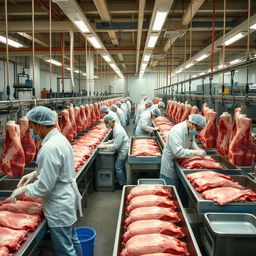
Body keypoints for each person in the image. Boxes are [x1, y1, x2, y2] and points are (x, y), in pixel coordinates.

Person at [11, 106, 83, 256]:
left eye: (32, 127)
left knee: (64, 250)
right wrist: (36, 173)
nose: (32, 132)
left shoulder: (50, 147)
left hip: (59, 205)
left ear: (40, 125)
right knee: (73, 241)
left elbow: (44, 187)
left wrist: (25, 190)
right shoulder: (59, 139)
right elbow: (56, 169)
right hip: (66, 199)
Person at [160, 114, 207, 187]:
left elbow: (192, 141)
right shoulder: (177, 130)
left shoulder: (191, 129)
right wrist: (195, 152)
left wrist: (196, 148)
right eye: (197, 129)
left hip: (182, 161)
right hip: (171, 163)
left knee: (181, 190)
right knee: (170, 192)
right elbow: (178, 152)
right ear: (192, 123)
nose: (197, 132)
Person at [98, 114, 129, 188]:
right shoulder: (115, 127)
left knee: (118, 167)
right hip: (122, 148)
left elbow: (116, 146)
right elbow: (116, 139)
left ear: (111, 121)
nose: (106, 125)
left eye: (106, 123)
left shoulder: (118, 130)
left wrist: (105, 146)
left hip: (123, 150)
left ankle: (121, 184)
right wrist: (108, 142)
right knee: (121, 167)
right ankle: (123, 181)